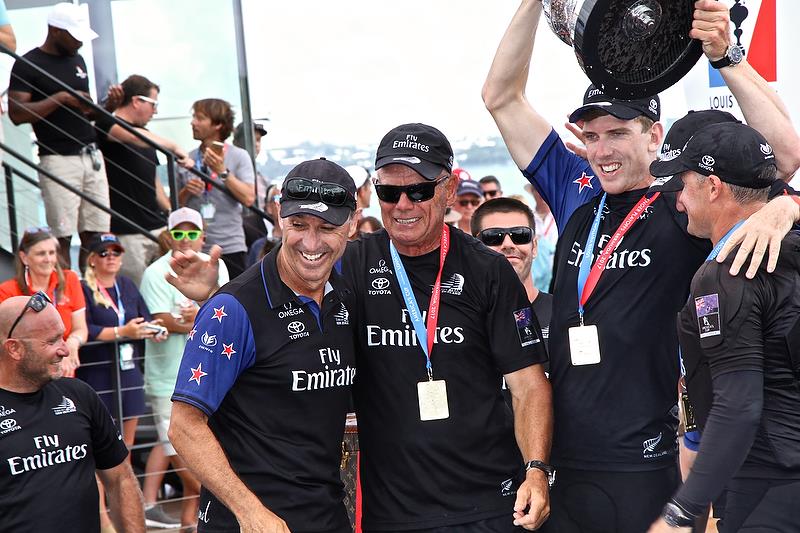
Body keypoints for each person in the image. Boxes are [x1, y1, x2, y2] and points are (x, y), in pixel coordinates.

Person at [482, 1, 800, 530]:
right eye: (592, 134)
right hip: (565, 462)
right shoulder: (575, 187)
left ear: (654, 136)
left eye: (619, 132)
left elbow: (782, 157)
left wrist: (727, 57)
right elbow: (501, 97)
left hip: (649, 461)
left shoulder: (682, 200)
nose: (602, 149)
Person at [169, 159, 358, 533]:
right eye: (299, 225)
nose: (311, 242)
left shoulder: (349, 293)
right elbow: (183, 427)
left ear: (352, 224)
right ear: (277, 217)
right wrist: (249, 512)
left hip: (326, 513)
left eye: (327, 228)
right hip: (249, 522)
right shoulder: (233, 308)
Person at [645, 123, 800, 532]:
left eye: (683, 185)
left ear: (713, 187)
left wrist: (679, 513)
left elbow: (739, 406)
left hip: (766, 482)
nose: (678, 202)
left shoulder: (726, 273)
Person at [0, 294, 145, 532]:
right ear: (14, 349)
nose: (65, 350)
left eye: (64, 337)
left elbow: (120, 481)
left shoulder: (80, 396)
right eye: (52, 341)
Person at [7, 2, 123, 271]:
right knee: (63, 234)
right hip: (58, 158)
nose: (80, 44)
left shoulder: (77, 60)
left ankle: (89, 295)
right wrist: (60, 98)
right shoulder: (29, 64)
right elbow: (17, 113)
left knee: (95, 234)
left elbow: (85, 111)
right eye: (75, 36)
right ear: (56, 31)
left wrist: (109, 107)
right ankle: (66, 295)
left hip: (90, 156)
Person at [139, 207, 228, 530]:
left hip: (212, 375)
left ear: (203, 236)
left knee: (204, 453)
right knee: (188, 458)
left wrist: (193, 319)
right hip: (169, 380)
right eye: (179, 233)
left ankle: (190, 524)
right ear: (169, 236)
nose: (186, 239)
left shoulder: (215, 266)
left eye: (193, 233)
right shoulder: (154, 272)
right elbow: (162, 319)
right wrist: (199, 318)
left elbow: (226, 313)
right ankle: (231, 506)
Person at [95, 74, 191, 285]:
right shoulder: (108, 125)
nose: (155, 111)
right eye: (153, 104)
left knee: (169, 286)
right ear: (137, 101)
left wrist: (171, 216)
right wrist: (174, 147)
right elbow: (132, 136)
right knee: (137, 290)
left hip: (156, 228)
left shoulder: (148, 136)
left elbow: (154, 183)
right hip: (128, 231)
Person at [77, 233, 164, 444]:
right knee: (100, 440)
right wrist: (123, 332)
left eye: (116, 252)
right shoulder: (83, 287)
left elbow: (145, 317)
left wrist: (156, 329)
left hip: (128, 370)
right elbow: (85, 329)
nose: (111, 257)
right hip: (98, 371)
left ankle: (125, 477)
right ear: (92, 259)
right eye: (104, 253)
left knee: (127, 443)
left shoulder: (126, 284)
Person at [177, 98, 256, 279]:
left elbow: (249, 198)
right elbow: (175, 207)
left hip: (230, 246)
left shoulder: (239, 156)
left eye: (199, 118)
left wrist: (222, 171)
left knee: (234, 302)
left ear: (218, 124)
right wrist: (186, 191)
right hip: (194, 247)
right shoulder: (187, 159)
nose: (193, 122)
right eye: (194, 117)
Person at [0, 227, 87, 378]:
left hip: (65, 372)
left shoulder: (70, 279)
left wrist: (72, 343)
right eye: (41, 253)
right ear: (24, 257)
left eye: (52, 253)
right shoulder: (7, 290)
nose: (48, 259)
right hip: (27, 374)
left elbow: (81, 329)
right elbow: (6, 340)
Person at [472, 197, 551, 347]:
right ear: (474, 248)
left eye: (520, 235)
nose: (508, 244)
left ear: (534, 247)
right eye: (493, 237)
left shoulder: (564, 314)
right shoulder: (460, 319)